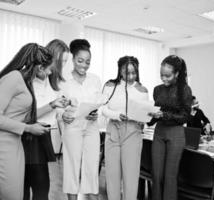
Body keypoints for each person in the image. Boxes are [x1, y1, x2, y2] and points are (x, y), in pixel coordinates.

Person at [0, 43, 53, 200]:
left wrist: (50, 106)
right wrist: (28, 128)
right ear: (40, 67)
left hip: (14, 141)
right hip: (0, 143)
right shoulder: (14, 78)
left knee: (13, 193)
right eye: (49, 68)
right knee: (12, 195)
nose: (51, 72)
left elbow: (22, 116)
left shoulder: (25, 80)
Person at [22, 39, 70, 200]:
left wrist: (64, 113)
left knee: (42, 188)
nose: (62, 66)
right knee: (28, 187)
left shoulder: (53, 82)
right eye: (61, 61)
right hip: (28, 137)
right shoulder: (28, 80)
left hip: (44, 135)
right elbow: (25, 115)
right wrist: (52, 105)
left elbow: (56, 112)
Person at [102, 56, 148, 200]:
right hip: (113, 131)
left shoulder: (142, 90)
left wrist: (145, 120)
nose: (131, 76)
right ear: (120, 71)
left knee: (131, 178)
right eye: (127, 72)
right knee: (112, 176)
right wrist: (116, 115)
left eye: (134, 72)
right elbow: (102, 108)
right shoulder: (110, 86)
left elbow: (145, 115)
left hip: (133, 133)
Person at [60, 39, 101, 200]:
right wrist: (62, 114)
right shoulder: (63, 81)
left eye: (88, 62)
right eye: (80, 61)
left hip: (91, 127)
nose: (84, 65)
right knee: (72, 165)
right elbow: (58, 106)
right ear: (73, 59)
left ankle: (90, 197)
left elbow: (99, 103)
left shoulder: (95, 79)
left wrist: (97, 112)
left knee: (91, 164)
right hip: (73, 127)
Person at [148, 55, 192, 200]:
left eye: (168, 75)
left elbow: (185, 116)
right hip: (159, 132)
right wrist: (147, 117)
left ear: (177, 74)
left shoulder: (185, 89)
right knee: (157, 174)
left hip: (176, 134)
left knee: (170, 176)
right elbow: (156, 114)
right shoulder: (157, 89)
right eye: (161, 75)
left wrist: (164, 115)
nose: (164, 79)